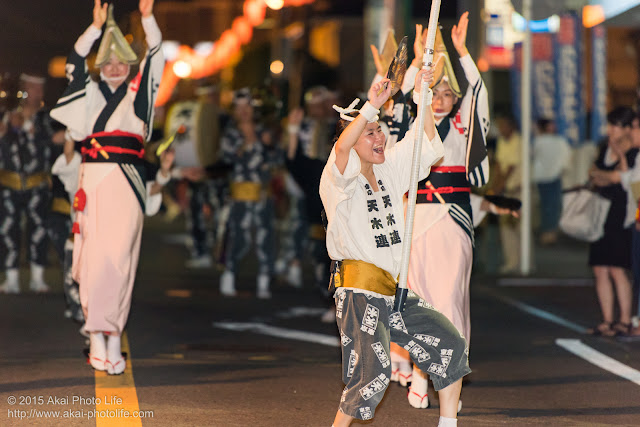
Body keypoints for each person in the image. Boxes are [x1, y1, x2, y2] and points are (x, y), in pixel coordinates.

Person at [321, 65, 470, 426]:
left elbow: (424, 141)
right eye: (370, 132)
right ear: (354, 139)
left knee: (449, 345)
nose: (380, 138)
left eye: (380, 131)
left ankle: (448, 423)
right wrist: (371, 106)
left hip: (398, 289)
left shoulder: (389, 169)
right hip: (359, 291)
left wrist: (423, 96)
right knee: (371, 376)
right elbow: (342, 145)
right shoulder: (340, 177)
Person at [49, 0, 166, 375]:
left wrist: (148, 19)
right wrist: (95, 29)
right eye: (108, 63)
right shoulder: (89, 93)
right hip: (94, 181)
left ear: (130, 65)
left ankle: (113, 336)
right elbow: (74, 60)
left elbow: (158, 57)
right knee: (94, 260)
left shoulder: (138, 94)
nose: (114, 68)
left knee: (121, 259)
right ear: (101, 67)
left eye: (121, 63)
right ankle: (97, 336)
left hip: (128, 184)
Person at [382, 12, 489, 410]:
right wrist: (416, 67)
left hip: (452, 222)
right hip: (415, 221)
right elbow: (407, 98)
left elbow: (477, 92)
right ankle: (421, 373)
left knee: (449, 301)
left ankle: (446, 380)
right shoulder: (415, 124)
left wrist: (461, 53)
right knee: (416, 301)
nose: (441, 98)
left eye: (448, 93)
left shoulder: (463, 124)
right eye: (436, 92)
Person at [0, 73, 65, 294]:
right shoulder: (7, 116)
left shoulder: (46, 118)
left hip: (37, 183)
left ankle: (37, 277)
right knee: (9, 229)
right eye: (29, 88)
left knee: (38, 228)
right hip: (10, 183)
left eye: (37, 89)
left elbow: (59, 139)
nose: (33, 93)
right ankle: (11, 278)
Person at [218, 89, 282, 299]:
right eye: (240, 108)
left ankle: (264, 280)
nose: (244, 112)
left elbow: (276, 160)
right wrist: (246, 143)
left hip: (262, 194)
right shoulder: (230, 133)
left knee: (266, 238)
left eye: (247, 107)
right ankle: (228, 275)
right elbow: (227, 159)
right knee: (238, 237)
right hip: (240, 194)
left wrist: (266, 144)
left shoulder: (265, 131)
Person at [587, 107, 637, 337]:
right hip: (600, 213)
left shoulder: (633, 152)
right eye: (610, 125)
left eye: (615, 125)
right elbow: (595, 175)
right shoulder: (604, 148)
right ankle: (607, 319)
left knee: (618, 268)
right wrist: (607, 176)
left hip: (621, 213)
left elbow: (621, 179)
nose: (610, 130)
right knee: (600, 268)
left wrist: (607, 175)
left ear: (627, 129)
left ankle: (624, 320)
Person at [532, 118, 570, 245]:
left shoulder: (537, 141)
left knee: (544, 206)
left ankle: (545, 233)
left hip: (541, 177)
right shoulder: (560, 141)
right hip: (555, 177)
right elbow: (566, 159)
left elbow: (532, 156)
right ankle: (551, 233)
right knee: (553, 206)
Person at [494, 113, 522, 273]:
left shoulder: (519, 141)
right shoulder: (501, 142)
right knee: (506, 228)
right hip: (506, 191)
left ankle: (525, 262)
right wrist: (495, 185)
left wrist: (499, 185)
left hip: (518, 190)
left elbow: (511, 167)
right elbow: (499, 164)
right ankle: (512, 262)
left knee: (520, 228)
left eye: (503, 125)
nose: (501, 129)